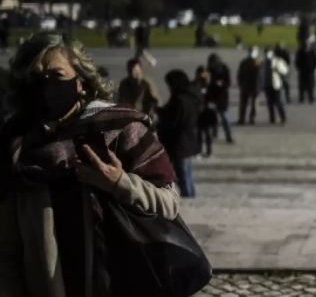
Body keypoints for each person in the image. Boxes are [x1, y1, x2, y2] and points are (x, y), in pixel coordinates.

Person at [0, 32, 180, 296]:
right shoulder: (16, 145)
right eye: (37, 79)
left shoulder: (120, 128)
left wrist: (120, 182)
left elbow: (169, 204)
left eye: (57, 76)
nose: (46, 87)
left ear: (80, 82)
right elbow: (6, 249)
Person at [158, 69, 202, 197]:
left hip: (179, 143)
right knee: (188, 174)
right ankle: (191, 197)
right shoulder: (191, 96)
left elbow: (173, 121)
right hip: (189, 140)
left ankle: (189, 199)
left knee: (183, 176)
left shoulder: (179, 99)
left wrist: (161, 118)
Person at [206, 53, 234, 143]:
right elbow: (207, 84)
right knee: (213, 117)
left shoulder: (224, 68)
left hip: (222, 97)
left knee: (224, 117)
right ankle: (214, 134)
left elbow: (228, 82)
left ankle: (228, 136)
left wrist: (221, 83)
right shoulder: (209, 69)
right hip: (212, 97)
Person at [260, 48, 288, 125]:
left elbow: (285, 70)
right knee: (269, 103)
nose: (267, 55)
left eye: (268, 53)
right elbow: (261, 74)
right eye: (265, 53)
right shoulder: (263, 62)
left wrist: (278, 69)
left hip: (276, 85)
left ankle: (283, 118)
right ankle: (272, 118)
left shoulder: (278, 61)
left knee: (278, 102)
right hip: (267, 85)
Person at [194, 66, 216, 157]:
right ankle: (198, 150)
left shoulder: (210, 85)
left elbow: (214, 96)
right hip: (199, 112)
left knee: (207, 133)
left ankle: (209, 151)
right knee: (199, 132)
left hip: (208, 112)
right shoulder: (195, 84)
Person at [237, 46, 261, 125]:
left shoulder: (256, 62)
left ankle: (249, 118)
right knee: (245, 103)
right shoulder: (245, 62)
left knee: (252, 104)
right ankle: (243, 118)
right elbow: (240, 74)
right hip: (248, 85)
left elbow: (260, 75)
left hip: (252, 85)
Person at [296, 37, 316, 105]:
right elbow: (297, 62)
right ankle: (301, 98)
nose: (306, 46)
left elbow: (315, 61)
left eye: (307, 44)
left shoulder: (311, 52)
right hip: (302, 71)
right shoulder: (300, 52)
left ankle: (310, 99)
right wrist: (299, 68)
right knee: (301, 86)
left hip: (309, 71)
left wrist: (313, 68)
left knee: (310, 86)